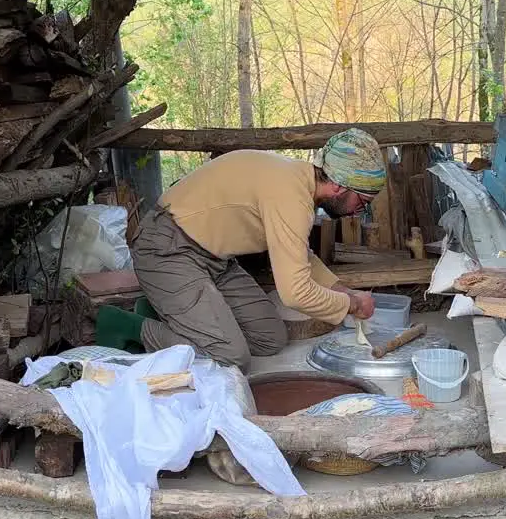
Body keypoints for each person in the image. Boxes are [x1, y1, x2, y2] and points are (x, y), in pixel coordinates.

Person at [97, 128, 387, 371]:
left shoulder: (297, 183)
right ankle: (131, 325)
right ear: (339, 186)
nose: (359, 211)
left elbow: (301, 256)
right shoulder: (290, 196)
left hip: (214, 260)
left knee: (270, 339)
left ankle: (174, 312)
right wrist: (350, 305)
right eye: (362, 201)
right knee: (229, 357)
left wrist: (345, 291)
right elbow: (294, 292)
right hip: (167, 250)